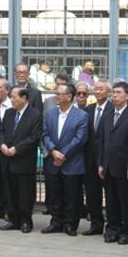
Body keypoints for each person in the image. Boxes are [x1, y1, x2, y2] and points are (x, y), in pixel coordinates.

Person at [41, 83, 88, 236]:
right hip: (53, 161)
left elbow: (79, 140)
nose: (56, 96)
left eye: (60, 94)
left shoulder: (81, 115)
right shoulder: (50, 114)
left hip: (72, 162)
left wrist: (62, 155)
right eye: (56, 93)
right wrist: (53, 151)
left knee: (71, 196)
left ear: (69, 96)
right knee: (54, 194)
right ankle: (56, 222)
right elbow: (45, 134)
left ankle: (70, 224)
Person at [98, 81, 128, 245]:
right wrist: (101, 164)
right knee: (111, 201)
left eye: (119, 92)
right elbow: (101, 141)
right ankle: (112, 229)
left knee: (126, 201)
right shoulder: (107, 115)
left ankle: (126, 231)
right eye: (113, 93)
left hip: (124, 167)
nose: (115, 96)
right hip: (108, 166)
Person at [0, 86, 43, 233]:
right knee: (10, 192)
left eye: (14, 97)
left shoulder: (35, 115)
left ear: (24, 98)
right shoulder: (9, 113)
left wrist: (16, 149)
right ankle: (13, 220)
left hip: (24, 160)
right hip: (7, 160)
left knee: (25, 193)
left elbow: (34, 137)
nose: (11, 100)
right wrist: (2, 145)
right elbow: (0, 131)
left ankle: (25, 221)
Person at [82, 79, 113, 236]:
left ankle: (113, 225)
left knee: (110, 193)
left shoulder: (113, 109)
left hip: (108, 158)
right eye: (96, 89)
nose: (98, 92)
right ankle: (96, 224)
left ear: (109, 92)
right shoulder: (89, 109)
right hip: (90, 158)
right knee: (92, 192)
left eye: (102, 89)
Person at [0, 77, 12, 218]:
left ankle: (8, 209)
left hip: (8, 149)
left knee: (8, 182)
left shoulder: (12, 106)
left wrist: (3, 146)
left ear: (7, 90)